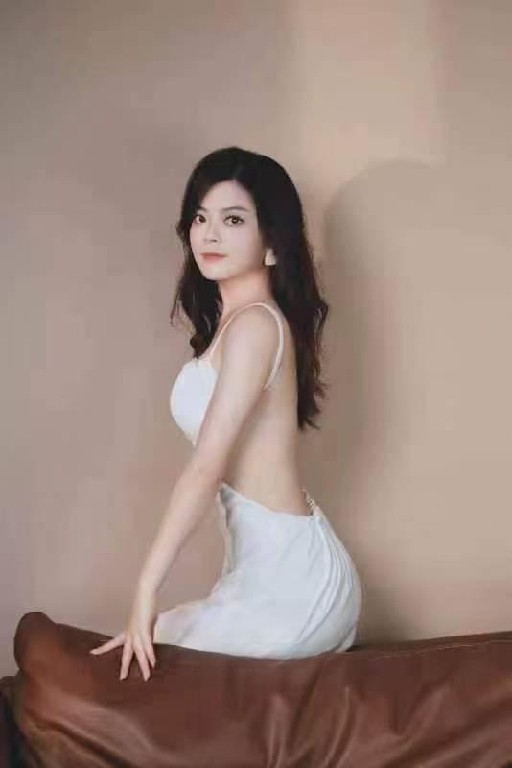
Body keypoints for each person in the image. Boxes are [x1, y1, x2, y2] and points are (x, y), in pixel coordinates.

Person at [90, 147, 362, 680]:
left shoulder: (257, 326)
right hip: (263, 571)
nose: (209, 235)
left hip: (296, 584)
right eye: (200, 218)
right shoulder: (236, 327)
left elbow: (206, 467)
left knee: (153, 663)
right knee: (144, 657)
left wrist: (144, 590)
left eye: (233, 220)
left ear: (272, 245)